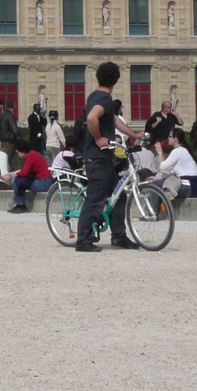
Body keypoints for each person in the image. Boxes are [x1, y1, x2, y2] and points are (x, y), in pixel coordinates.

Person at [74, 62, 138, 252]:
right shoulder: (104, 98)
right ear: (116, 80)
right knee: (96, 198)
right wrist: (99, 138)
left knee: (119, 195)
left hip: (102, 158)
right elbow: (92, 118)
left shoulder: (95, 96)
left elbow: (114, 121)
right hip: (98, 157)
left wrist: (134, 135)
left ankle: (119, 236)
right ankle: (83, 240)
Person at [153, 130, 197, 198]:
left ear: (175, 139)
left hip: (187, 186)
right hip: (194, 187)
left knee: (155, 185)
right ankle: (157, 208)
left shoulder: (177, 151)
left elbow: (162, 167)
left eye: (170, 136)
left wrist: (160, 153)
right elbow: (172, 172)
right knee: (157, 182)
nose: (168, 138)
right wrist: (157, 178)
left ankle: (152, 208)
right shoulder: (183, 150)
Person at [5, 141, 54, 212]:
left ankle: (20, 204)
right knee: (18, 180)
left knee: (15, 181)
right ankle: (20, 204)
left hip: (44, 182)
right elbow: (23, 170)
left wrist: (10, 176)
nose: (18, 154)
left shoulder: (30, 157)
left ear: (22, 151)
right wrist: (10, 174)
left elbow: (24, 172)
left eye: (18, 152)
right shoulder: (32, 154)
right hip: (44, 181)